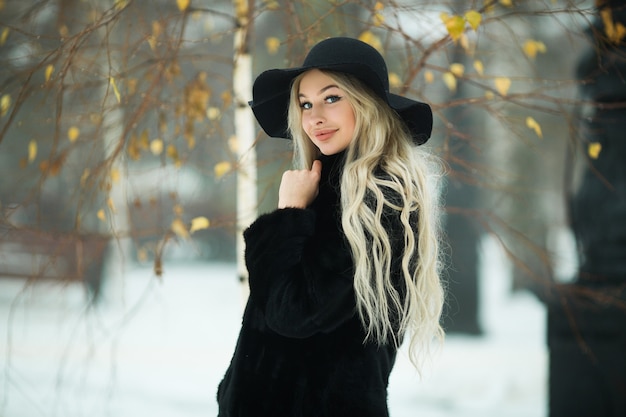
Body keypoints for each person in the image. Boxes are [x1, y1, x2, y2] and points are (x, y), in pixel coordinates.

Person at [217, 37, 445, 417]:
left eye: (331, 98)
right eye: (305, 104)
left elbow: (293, 313)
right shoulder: (328, 191)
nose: (314, 117)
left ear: (367, 105)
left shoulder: (378, 200)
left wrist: (288, 214)